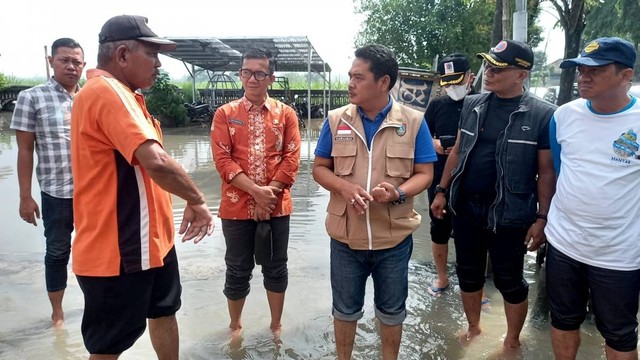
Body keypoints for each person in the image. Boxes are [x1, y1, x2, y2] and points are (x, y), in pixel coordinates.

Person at [70, 15, 214, 359]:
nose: (159, 64)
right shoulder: (106, 91)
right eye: (152, 54)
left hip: (151, 244)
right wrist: (198, 200)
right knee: (109, 343)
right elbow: (158, 162)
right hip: (119, 249)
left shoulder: (127, 96)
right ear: (122, 55)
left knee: (164, 310)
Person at [430, 39, 556, 350]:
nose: (489, 72)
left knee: (510, 281)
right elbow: (457, 152)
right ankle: (473, 329)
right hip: (467, 207)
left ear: (521, 74)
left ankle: (511, 341)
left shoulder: (542, 114)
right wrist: (442, 190)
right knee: (469, 276)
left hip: (511, 213)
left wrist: (542, 218)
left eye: (499, 68)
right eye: (488, 65)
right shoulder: (473, 106)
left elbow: (547, 172)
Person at [313, 44, 437, 360]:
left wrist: (397, 193)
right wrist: (342, 187)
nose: (350, 83)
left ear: (382, 82)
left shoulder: (412, 121)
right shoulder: (336, 119)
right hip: (345, 238)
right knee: (344, 310)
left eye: (358, 77)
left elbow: (425, 173)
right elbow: (319, 169)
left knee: (392, 310)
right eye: (350, 76)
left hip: (393, 239)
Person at [545, 37, 640, 360]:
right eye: (581, 69)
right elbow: (560, 173)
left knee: (619, 332)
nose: (584, 77)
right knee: (563, 319)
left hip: (618, 254)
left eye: (595, 71)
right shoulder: (564, 116)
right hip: (565, 243)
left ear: (625, 75)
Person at [210, 48, 301, 337]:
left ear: (270, 78)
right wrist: (255, 193)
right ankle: (235, 326)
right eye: (246, 72)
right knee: (237, 269)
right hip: (236, 208)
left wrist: (268, 195)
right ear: (240, 75)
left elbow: (292, 158)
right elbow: (223, 160)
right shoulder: (225, 114)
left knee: (276, 268)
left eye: (259, 73)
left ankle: (276, 325)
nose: (252, 79)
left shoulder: (286, 115)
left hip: (277, 207)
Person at [10, 37, 85, 330]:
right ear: (51, 61)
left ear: (84, 65)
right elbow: (25, 150)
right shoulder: (32, 97)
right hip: (56, 193)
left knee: (97, 249)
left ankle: (97, 303)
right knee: (56, 252)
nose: (71, 67)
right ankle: (57, 314)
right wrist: (25, 197)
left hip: (93, 192)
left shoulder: (90, 96)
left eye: (76, 62)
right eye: (65, 60)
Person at [424, 52, 476, 296]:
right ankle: (442, 277)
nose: (453, 87)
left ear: (469, 77)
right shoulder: (437, 105)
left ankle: (474, 285)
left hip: (472, 176)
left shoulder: (481, 103)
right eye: (448, 82)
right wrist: (433, 142)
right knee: (439, 225)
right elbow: (422, 135)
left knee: (474, 229)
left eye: (457, 80)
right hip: (438, 174)